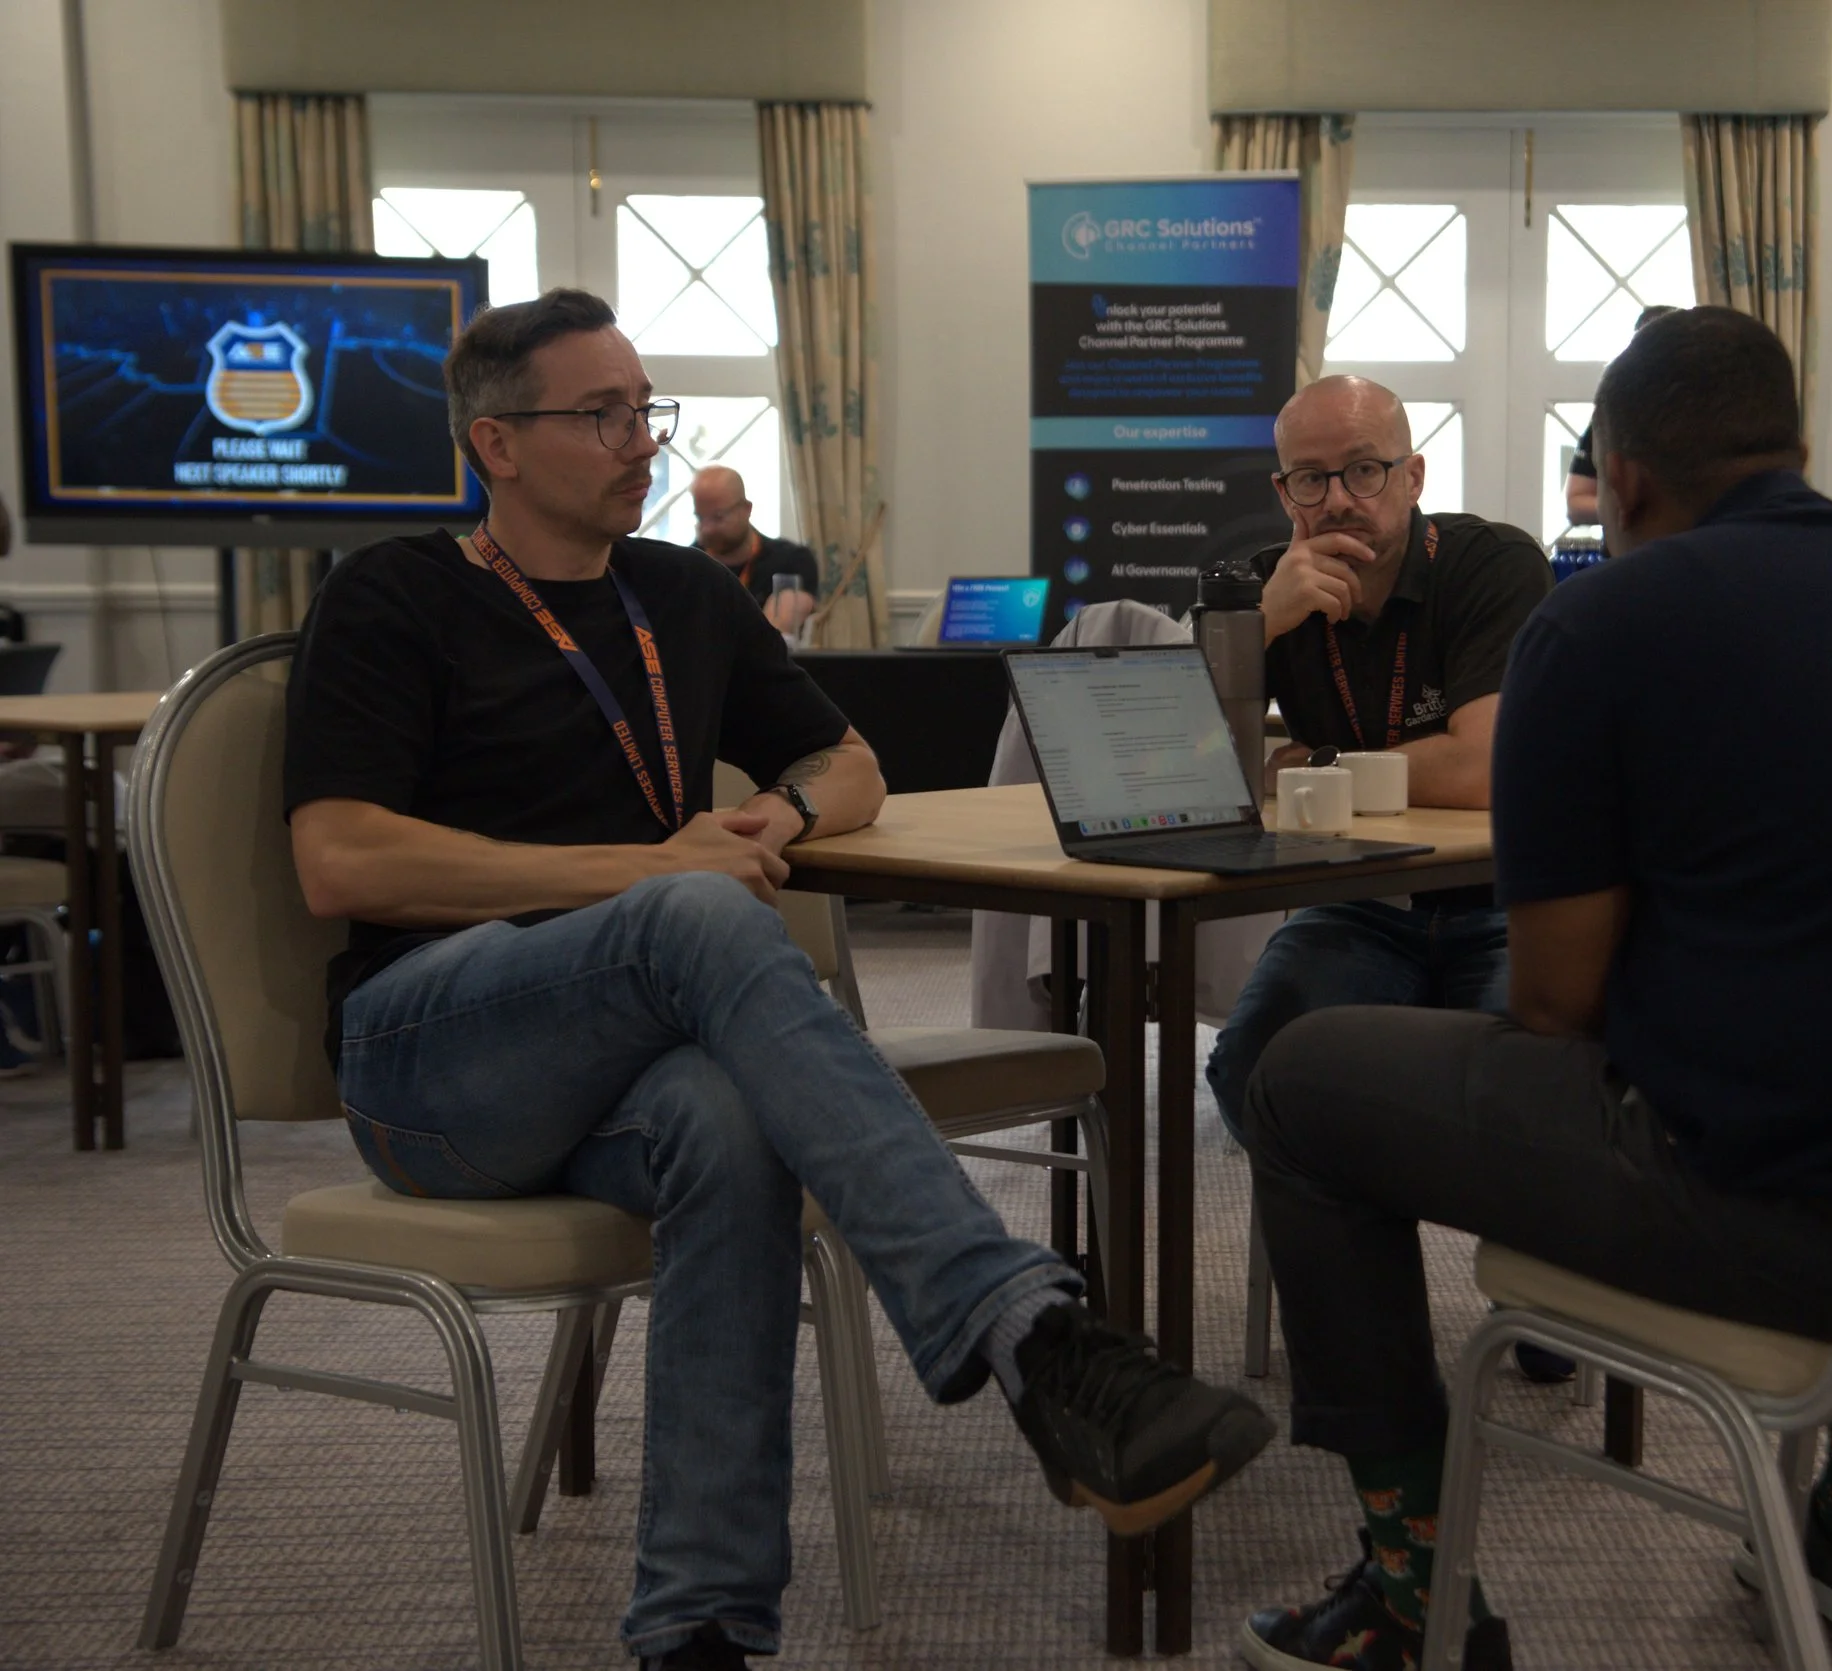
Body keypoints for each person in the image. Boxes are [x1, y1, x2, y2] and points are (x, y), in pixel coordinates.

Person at [284, 289, 1272, 1671]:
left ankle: (699, 1625)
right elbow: (340, 860)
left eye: (649, 409)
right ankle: (1031, 1331)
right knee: (684, 909)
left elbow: (848, 761)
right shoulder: (392, 593)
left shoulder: (677, 592)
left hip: (620, 1062)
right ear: (496, 443)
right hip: (428, 1060)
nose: (643, 441)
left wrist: (784, 820)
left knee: (731, 1120)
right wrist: (645, 869)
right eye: (604, 415)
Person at [1233, 308, 1832, 1671]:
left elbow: (1555, 1006)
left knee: (1296, 1078)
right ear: (1799, 449)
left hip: (1785, 1236)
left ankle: (1414, 1581)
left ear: (1627, 478)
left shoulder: (1603, 625)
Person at [1203, 374, 1548, 1139]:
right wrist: (1260, 626)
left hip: (1493, 898)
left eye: (1364, 469)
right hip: (1355, 902)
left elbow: (1482, 769)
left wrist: (1315, 768)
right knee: (1250, 1069)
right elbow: (1188, 772)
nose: (1337, 498)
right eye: (1310, 478)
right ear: (1283, 491)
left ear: (1412, 475)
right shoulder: (1261, 590)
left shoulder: (1492, 565)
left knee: (1529, 1091)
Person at [1565, 304, 1680, 529]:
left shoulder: (1708, 416)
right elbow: (1575, 504)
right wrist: (1638, 510)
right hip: (1628, 550)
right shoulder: (1611, 418)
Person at [690, 463, 816, 633]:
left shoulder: (791, 561)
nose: (707, 528)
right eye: (700, 517)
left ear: (746, 509)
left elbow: (776, 637)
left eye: (718, 517)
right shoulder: (687, 566)